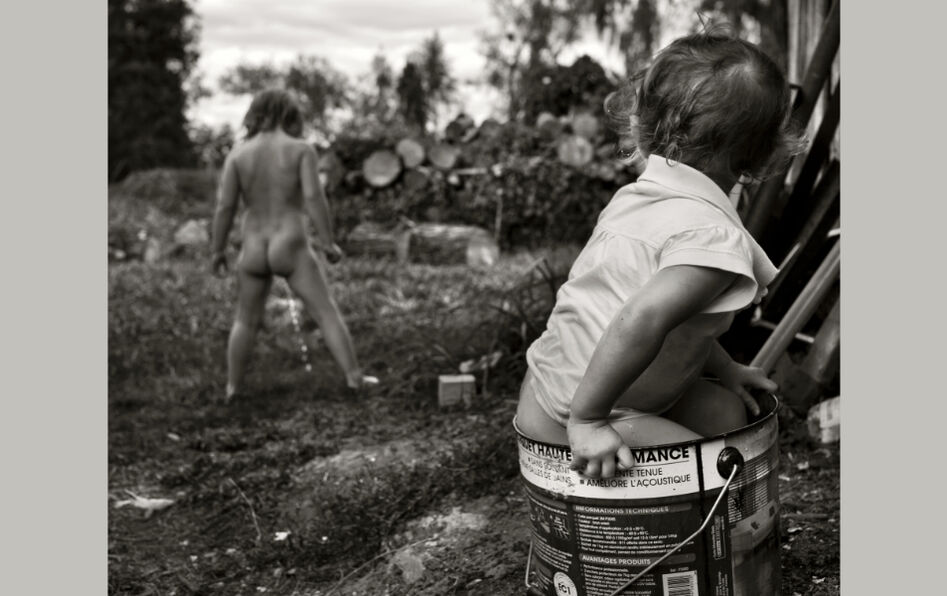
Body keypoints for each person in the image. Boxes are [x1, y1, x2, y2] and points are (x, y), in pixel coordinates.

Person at [515, 31, 805, 479]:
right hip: (584, 416)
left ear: (640, 127)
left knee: (727, 412)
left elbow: (679, 323)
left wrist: (727, 368)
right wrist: (589, 420)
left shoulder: (635, 200)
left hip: (545, 386)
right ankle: (710, 522)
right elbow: (643, 318)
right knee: (709, 474)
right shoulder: (710, 238)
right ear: (765, 155)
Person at [210, 88, 377, 401]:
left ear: (255, 114)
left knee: (245, 319)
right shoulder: (301, 150)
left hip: (253, 246)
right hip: (290, 242)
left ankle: (233, 388)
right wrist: (328, 242)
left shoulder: (238, 155)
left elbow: (225, 207)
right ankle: (354, 378)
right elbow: (313, 197)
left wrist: (217, 250)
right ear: (290, 115)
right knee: (325, 312)